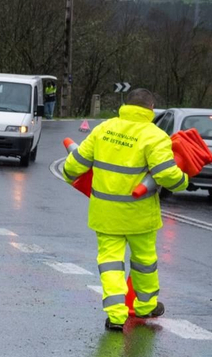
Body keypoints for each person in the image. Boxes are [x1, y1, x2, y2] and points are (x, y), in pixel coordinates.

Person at [62, 87, 191, 331]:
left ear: (126, 105)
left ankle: (116, 316)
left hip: (105, 214)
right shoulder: (154, 136)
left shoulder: (103, 129)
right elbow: (165, 173)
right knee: (144, 261)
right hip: (139, 215)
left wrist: (69, 173)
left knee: (110, 263)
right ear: (150, 109)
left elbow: (76, 164)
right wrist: (183, 180)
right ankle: (145, 306)